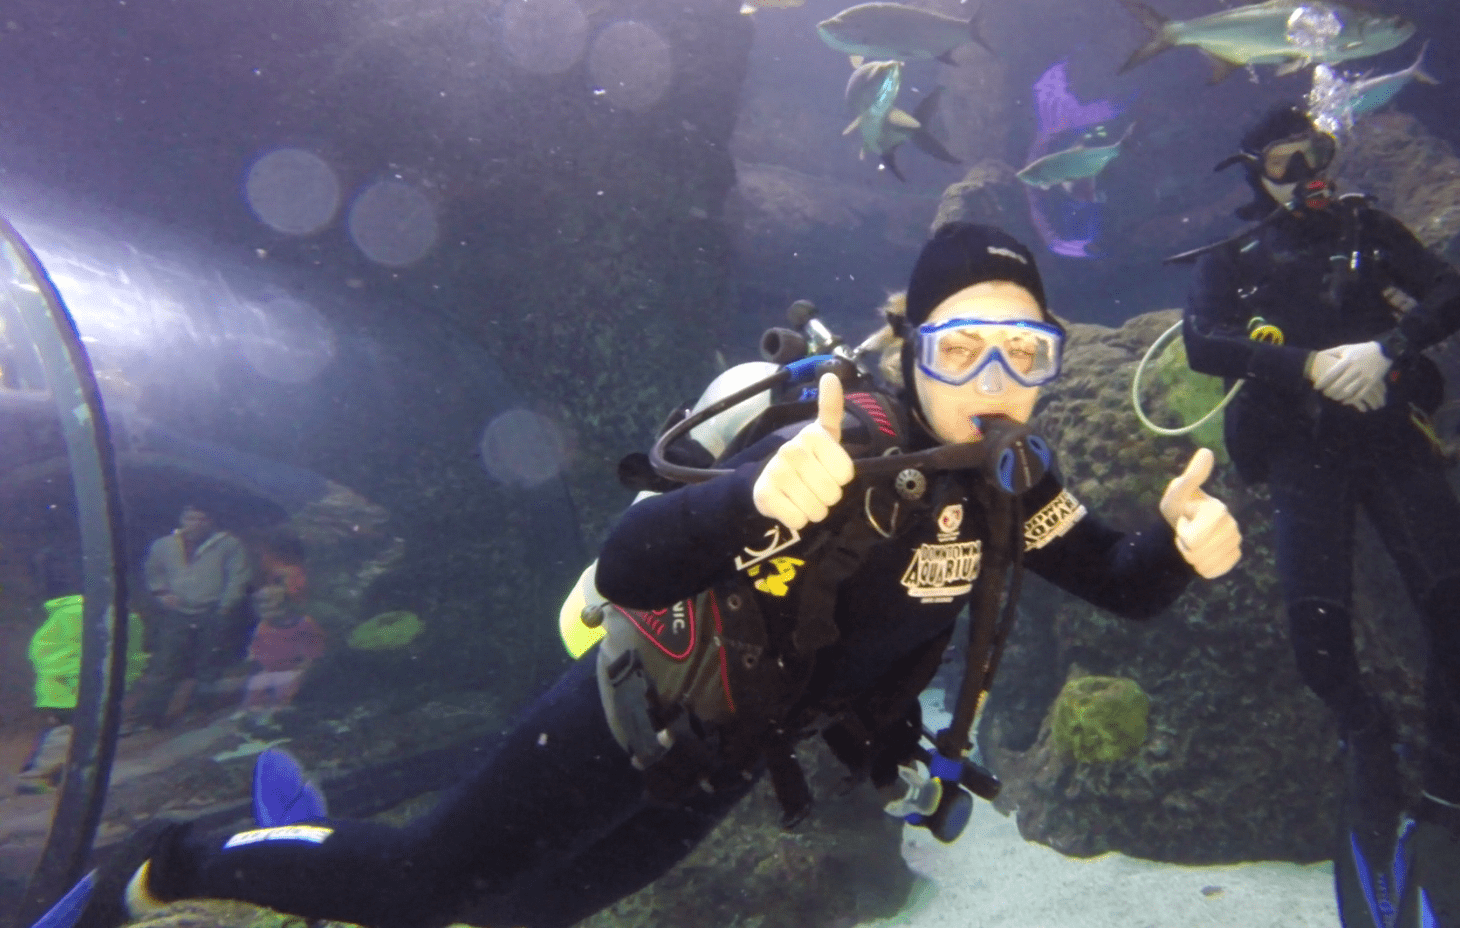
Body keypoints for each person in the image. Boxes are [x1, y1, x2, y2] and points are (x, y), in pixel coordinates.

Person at [73, 223, 1243, 928]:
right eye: (960, 345)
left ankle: (311, 856)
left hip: (727, 756)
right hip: (630, 707)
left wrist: (1180, 551)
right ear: (908, 346)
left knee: (530, 912)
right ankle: (167, 861)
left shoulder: (1017, 481)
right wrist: (751, 497)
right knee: (431, 884)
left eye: (1025, 348)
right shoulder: (838, 442)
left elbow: (1122, 583)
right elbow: (631, 563)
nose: (995, 374)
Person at [1179, 104, 1460, 928]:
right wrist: (1306, 365)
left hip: (1392, 442)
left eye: (1317, 153)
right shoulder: (1234, 257)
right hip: (1299, 455)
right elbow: (1199, 342)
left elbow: (1452, 293)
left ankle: (1436, 811)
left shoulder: (1368, 227)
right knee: (1318, 642)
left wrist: (1388, 349)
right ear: (1254, 171)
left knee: (1459, 617)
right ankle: (1368, 745)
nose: (1308, 172)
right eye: (1286, 161)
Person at [16, 550, 148, 794]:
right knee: (66, 731)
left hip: (75, 688)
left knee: (68, 731)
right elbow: (47, 654)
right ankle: (36, 776)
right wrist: (84, 680)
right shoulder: (81, 614)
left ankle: (44, 770)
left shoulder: (107, 614)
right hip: (73, 689)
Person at [130, 505, 255, 729]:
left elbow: (238, 576)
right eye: (190, 518)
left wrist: (226, 606)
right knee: (165, 664)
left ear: (211, 521)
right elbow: (153, 571)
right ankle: (148, 717)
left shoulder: (228, 544)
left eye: (202, 518)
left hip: (213, 611)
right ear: (182, 519)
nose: (195, 523)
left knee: (208, 666)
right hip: (177, 612)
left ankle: (198, 711)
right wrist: (161, 592)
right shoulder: (164, 545)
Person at [240, 584, 327, 719]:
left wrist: (303, 668)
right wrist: (259, 662)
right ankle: (253, 715)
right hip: (270, 670)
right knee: (256, 685)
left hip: (296, 669)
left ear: (286, 603)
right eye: (261, 603)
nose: (265, 607)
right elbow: (257, 649)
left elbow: (314, 652)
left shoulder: (304, 623)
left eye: (270, 601)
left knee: (286, 686)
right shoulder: (263, 626)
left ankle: (281, 714)